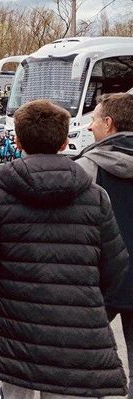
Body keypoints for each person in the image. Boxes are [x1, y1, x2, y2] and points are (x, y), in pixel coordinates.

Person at [0, 99, 129, 399]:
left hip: (13, 328)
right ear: (65, 142)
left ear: (17, 140)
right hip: (76, 332)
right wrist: (88, 308)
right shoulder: (94, 194)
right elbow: (114, 267)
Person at [77, 92, 133, 397]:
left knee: (84, 361)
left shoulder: (88, 167)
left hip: (101, 279)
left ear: (109, 123)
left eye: (94, 119)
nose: (89, 127)